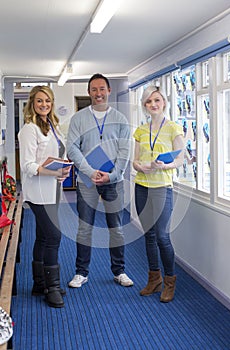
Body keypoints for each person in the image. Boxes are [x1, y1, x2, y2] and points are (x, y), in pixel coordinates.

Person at [67, 73, 133, 288]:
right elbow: (72, 149)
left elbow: (125, 151)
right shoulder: (78, 119)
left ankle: (119, 271)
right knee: (84, 228)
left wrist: (112, 175)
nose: (98, 93)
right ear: (89, 92)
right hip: (88, 181)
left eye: (102, 89)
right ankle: (81, 272)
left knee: (117, 228)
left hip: (113, 181)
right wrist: (90, 171)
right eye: (94, 89)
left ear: (109, 91)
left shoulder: (121, 119)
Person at [18, 85, 71, 308]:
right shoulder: (30, 129)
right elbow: (28, 165)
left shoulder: (52, 125)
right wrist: (54, 171)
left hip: (52, 189)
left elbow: (57, 153)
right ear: (32, 103)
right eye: (39, 101)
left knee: (42, 237)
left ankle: (39, 283)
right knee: (54, 237)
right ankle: (52, 288)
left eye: (47, 101)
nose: (44, 105)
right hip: (38, 192)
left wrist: (63, 169)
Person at [133, 85, 184, 302]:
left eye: (157, 100)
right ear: (145, 106)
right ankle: (154, 280)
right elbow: (134, 161)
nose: (153, 105)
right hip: (142, 186)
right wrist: (141, 167)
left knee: (162, 236)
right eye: (148, 102)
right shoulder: (141, 131)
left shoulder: (173, 128)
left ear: (164, 102)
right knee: (149, 235)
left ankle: (170, 281)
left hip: (162, 186)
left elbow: (181, 159)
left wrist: (164, 166)